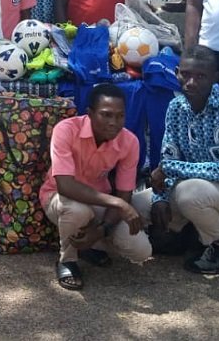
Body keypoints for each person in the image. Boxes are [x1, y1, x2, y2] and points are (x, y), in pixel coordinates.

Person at [132, 45, 219, 274]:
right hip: (196, 187)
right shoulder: (176, 107)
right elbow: (170, 157)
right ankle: (189, 235)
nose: (191, 82)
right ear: (176, 72)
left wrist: (167, 168)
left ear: (215, 77)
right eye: (185, 74)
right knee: (137, 205)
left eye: (201, 76)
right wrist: (160, 197)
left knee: (189, 193)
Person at [40, 83, 150, 291]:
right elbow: (65, 186)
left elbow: (124, 193)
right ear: (89, 114)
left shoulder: (130, 142)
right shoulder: (66, 130)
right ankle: (67, 260)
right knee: (76, 210)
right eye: (106, 115)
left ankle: (89, 244)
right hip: (58, 198)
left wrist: (102, 230)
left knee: (141, 250)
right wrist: (117, 202)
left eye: (120, 116)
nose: (114, 123)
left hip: (99, 200)